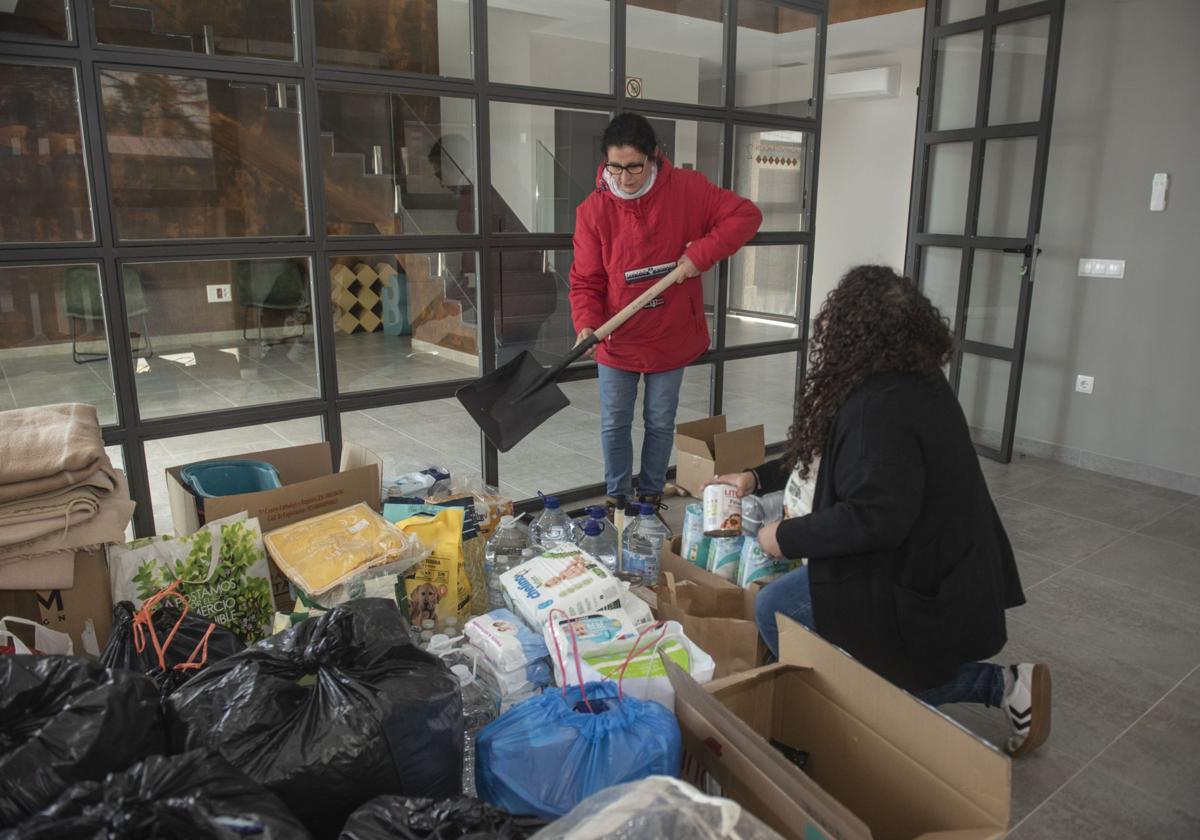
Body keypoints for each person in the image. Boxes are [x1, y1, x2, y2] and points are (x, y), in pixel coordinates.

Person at [708, 265, 1051, 757]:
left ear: (859, 331)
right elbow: (822, 454)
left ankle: (984, 690)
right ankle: (849, 700)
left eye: (836, 317)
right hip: (939, 554)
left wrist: (785, 537)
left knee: (776, 609)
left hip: (921, 573)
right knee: (812, 623)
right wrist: (755, 477)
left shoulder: (881, 407)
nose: (824, 327)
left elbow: (875, 517)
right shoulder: (909, 376)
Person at [570, 113, 761, 514]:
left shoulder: (688, 190)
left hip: (670, 334)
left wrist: (699, 255)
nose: (624, 178)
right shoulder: (593, 211)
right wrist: (586, 324)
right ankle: (617, 497)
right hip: (617, 337)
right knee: (614, 423)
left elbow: (746, 215)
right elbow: (586, 280)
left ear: (654, 157)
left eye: (634, 167)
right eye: (615, 167)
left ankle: (651, 495)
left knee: (659, 421)